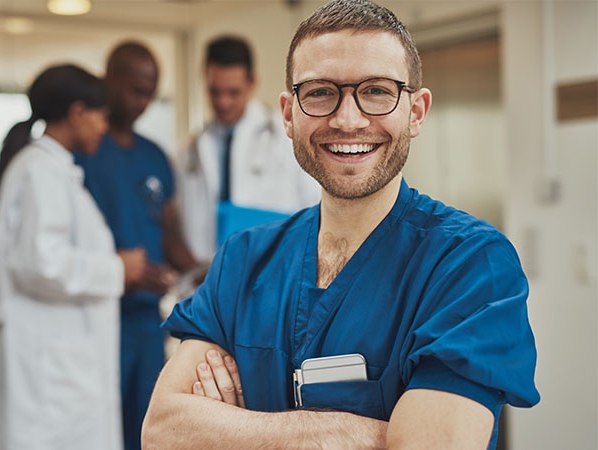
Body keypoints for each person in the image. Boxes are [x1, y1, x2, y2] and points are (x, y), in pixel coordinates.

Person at [142, 1, 541, 449]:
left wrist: (231, 430)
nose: (348, 120)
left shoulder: (470, 265)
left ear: (416, 111)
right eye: (319, 92)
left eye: (376, 91)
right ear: (289, 114)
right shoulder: (244, 259)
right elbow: (163, 431)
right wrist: (343, 431)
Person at [0, 63, 146, 450]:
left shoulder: (51, 169)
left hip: (55, 359)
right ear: (78, 112)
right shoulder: (40, 172)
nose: (103, 127)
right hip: (47, 366)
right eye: (100, 116)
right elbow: (41, 263)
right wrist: (119, 268)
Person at [74, 41, 200, 450]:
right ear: (108, 79)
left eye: (151, 92)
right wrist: (117, 270)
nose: (143, 102)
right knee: (94, 432)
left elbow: (169, 234)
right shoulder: (82, 151)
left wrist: (208, 271)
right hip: (93, 320)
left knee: (146, 430)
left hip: (146, 323)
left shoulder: (155, 158)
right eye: (135, 90)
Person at [175, 35, 319, 262]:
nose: (223, 102)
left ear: (252, 83)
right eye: (215, 91)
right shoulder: (190, 151)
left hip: (274, 270)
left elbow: (315, 210)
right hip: (208, 277)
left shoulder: (286, 137)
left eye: (233, 92)